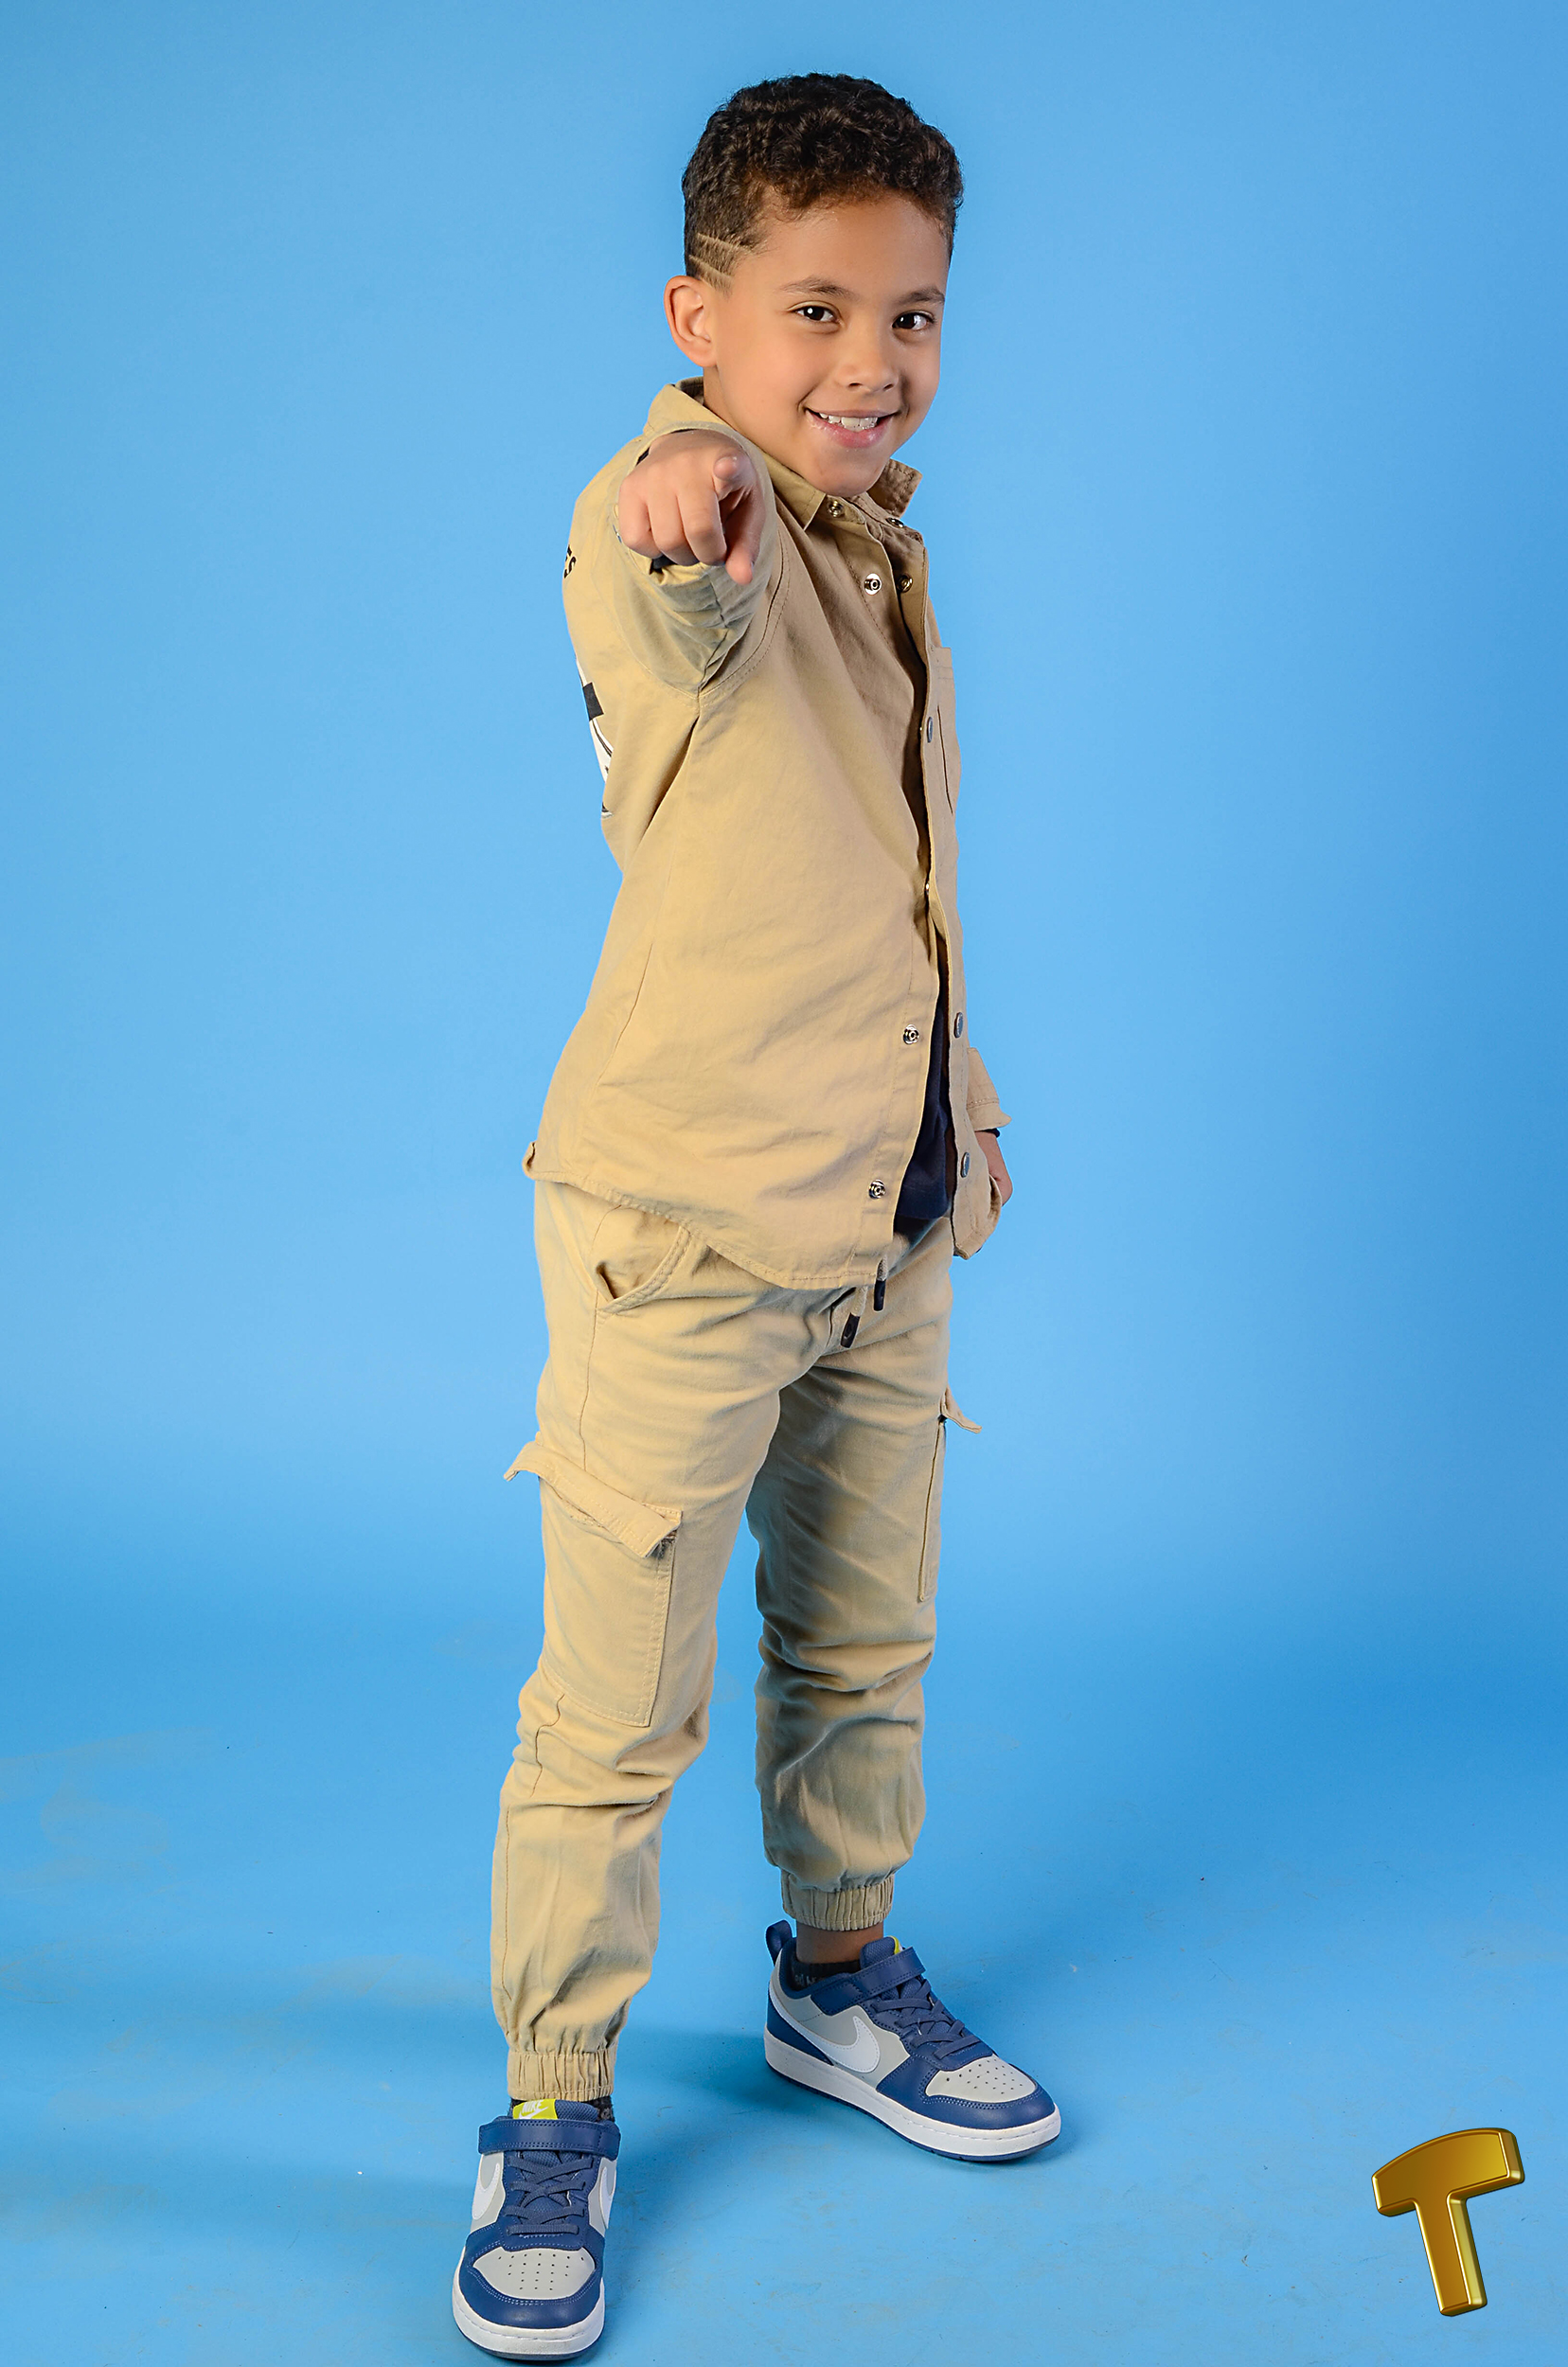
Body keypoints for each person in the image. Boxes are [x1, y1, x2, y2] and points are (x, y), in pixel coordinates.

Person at [452, 72, 1060, 2360]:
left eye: (913, 314)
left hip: (885, 1214)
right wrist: (677, 488)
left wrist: (956, 1112)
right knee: (618, 1710)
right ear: (698, 317)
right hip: (687, 1232)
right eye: (815, 310)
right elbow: (660, 557)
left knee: (864, 1642)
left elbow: (882, 888)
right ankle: (554, 2096)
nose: (871, 361)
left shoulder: (883, 548)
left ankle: (839, 1977)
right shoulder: (691, 524)